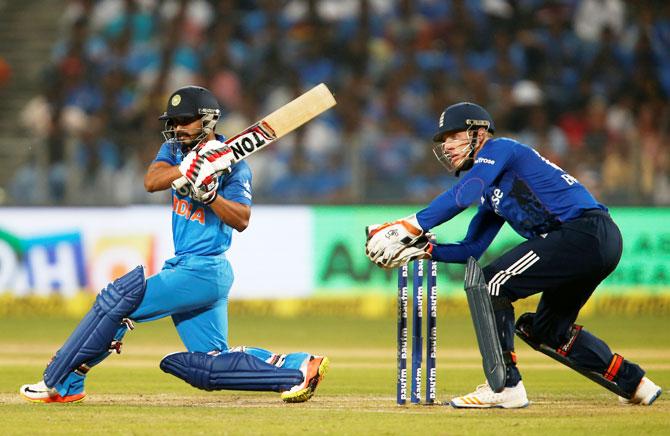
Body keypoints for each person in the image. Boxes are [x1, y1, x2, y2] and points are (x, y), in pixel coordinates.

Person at [20, 85, 329, 404]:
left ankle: (62, 379)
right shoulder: (175, 152)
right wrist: (188, 168)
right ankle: (298, 368)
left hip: (203, 268)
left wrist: (210, 196)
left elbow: (241, 219)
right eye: (174, 121)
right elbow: (151, 181)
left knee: (118, 302)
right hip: (189, 267)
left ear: (208, 120)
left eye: (185, 120)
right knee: (211, 363)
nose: (177, 128)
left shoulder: (235, 167)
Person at [364, 102, 662, 408]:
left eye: (453, 136)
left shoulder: (502, 149)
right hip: (595, 243)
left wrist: (409, 225)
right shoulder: (489, 193)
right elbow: (472, 248)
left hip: (583, 231)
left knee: (490, 284)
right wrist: (425, 250)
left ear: (478, 133)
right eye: (444, 141)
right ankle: (635, 383)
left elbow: (463, 193)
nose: (448, 146)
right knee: (547, 332)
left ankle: (505, 385)